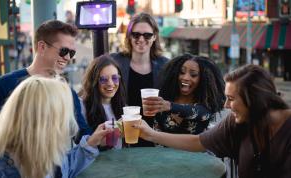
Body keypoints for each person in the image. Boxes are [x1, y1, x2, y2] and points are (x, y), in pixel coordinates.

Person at [135, 65, 291, 178]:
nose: (226, 106)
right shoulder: (236, 122)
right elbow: (198, 142)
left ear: (254, 100)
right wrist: (150, 134)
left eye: (231, 99)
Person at [0, 20, 90, 142]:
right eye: (64, 51)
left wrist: (102, 136)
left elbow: (82, 135)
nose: (67, 57)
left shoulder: (69, 94)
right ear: (42, 47)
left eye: (72, 53)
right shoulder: (5, 85)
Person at [0, 76, 111, 178]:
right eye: (63, 115)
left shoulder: (40, 151)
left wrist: (92, 142)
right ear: (44, 123)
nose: (69, 124)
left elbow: (63, 168)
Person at [111, 12, 168, 147]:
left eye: (147, 35)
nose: (141, 39)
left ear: (154, 37)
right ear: (129, 37)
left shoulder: (165, 65)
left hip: (155, 138)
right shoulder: (115, 61)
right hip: (123, 137)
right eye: (136, 34)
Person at [143, 54, 225, 134]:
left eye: (193, 75)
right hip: (162, 147)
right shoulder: (164, 98)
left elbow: (200, 113)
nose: (185, 78)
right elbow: (156, 134)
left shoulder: (206, 105)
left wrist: (169, 106)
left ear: (203, 80)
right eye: (182, 72)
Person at [78, 54, 126, 149]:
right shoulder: (81, 107)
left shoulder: (122, 106)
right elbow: (76, 147)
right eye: (103, 79)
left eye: (115, 78)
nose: (111, 83)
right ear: (94, 81)